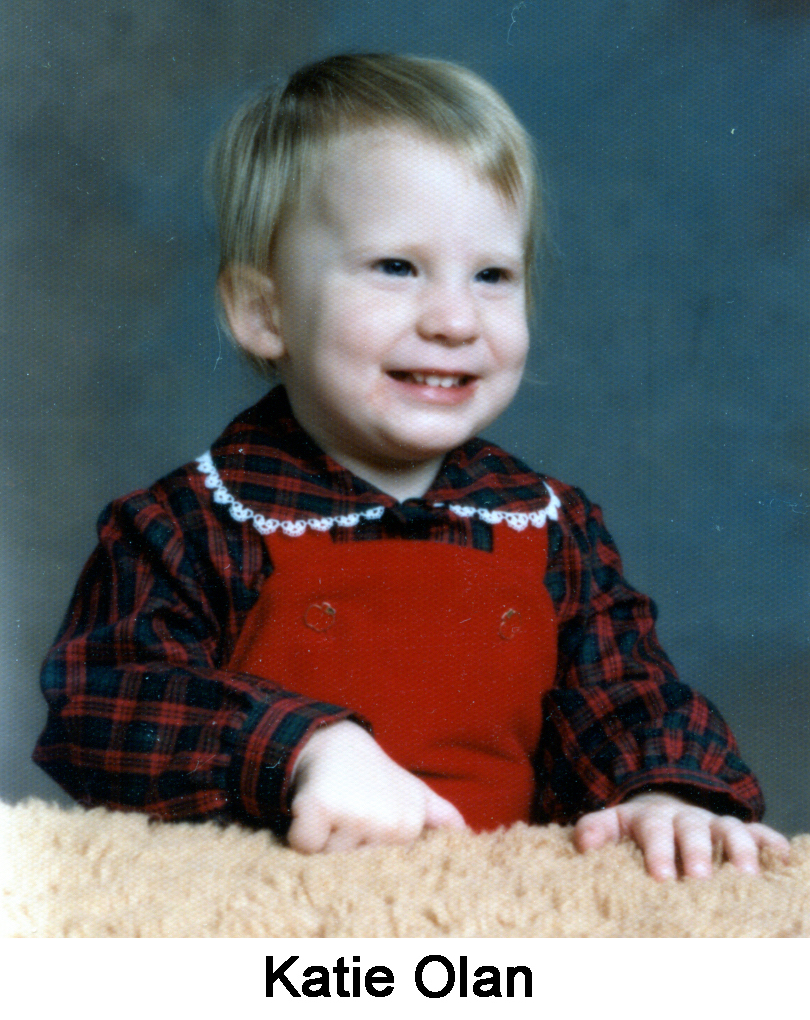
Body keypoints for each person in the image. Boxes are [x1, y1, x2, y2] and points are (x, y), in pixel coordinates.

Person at [34, 53, 789, 881]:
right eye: (397, 267)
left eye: (494, 275)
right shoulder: (188, 523)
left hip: (496, 929)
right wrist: (301, 747)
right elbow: (102, 707)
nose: (456, 319)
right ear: (265, 310)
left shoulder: (548, 524)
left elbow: (623, 694)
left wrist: (664, 789)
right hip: (272, 929)